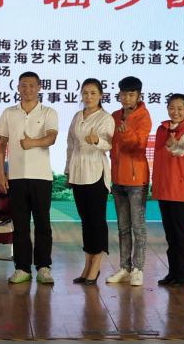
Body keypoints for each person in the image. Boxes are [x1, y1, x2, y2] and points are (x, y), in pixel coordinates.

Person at [0, 71, 59, 284]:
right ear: (18, 88)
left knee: (42, 224)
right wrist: (0, 174)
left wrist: (33, 143)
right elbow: (1, 145)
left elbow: (51, 137)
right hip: (16, 177)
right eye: (23, 85)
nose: (28, 89)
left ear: (39, 87)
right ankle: (22, 268)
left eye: (32, 85)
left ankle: (43, 267)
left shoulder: (48, 112)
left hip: (41, 177)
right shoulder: (9, 112)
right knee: (20, 226)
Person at [64, 78, 114, 285]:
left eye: (93, 93)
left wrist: (97, 141)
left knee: (97, 221)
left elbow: (110, 144)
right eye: (85, 93)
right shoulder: (77, 116)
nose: (88, 97)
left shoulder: (106, 118)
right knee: (85, 221)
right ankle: (87, 265)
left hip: (95, 173)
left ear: (101, 95)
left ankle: (96, 265)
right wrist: (68, 170)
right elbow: (70, 143)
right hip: (77, 172)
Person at [106, 76, 152, 287]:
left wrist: (126, 134)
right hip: (117, 178)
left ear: (139, 96)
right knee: (123, 228)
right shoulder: (114, 116)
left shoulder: (144, 116)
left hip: (136, 179)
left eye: (131, 94)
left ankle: (138, 269)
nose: (126, 98)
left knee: (137, 227)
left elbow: (139, 145)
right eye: (123, 94)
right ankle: (124, 268)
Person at [153, 94, 184, 287]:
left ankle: (183, 275)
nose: (176, 112)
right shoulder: (162, 129)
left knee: (181, 233)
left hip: (180, 189)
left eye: (180, 108)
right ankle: (172, 273)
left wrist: (174, 146)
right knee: (170, 234)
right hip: (164, 187)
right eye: (172, 107)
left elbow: (183, 149)